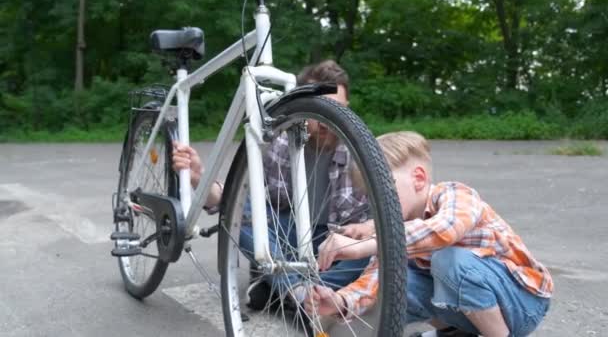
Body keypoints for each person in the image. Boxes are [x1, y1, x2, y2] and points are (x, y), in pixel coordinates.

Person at [304, 131, 553, 337]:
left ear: (419, 179)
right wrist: (340, 302)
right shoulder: (398, 225)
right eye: (371, 195)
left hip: (523, 302)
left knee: (449, 260)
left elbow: (445, 230)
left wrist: (363, 245)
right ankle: (455, 333)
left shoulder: (454, 194)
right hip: (473, 310)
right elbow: (376, 278)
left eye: (384, 188)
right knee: (397, 282)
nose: (376, 202)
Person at [172, 60, 371, 310]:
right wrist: (198, 177)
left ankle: (285, 290)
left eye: (337, 109)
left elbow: (390, 216)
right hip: (287, 234)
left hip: (335, 241)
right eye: (318, 109)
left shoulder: (364, 151)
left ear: (348, 109)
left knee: (371, 246)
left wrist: (365, 230)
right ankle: (299, 293)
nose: (325, 120)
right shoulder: (278, 143)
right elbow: (235, 199)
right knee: (238, 213)